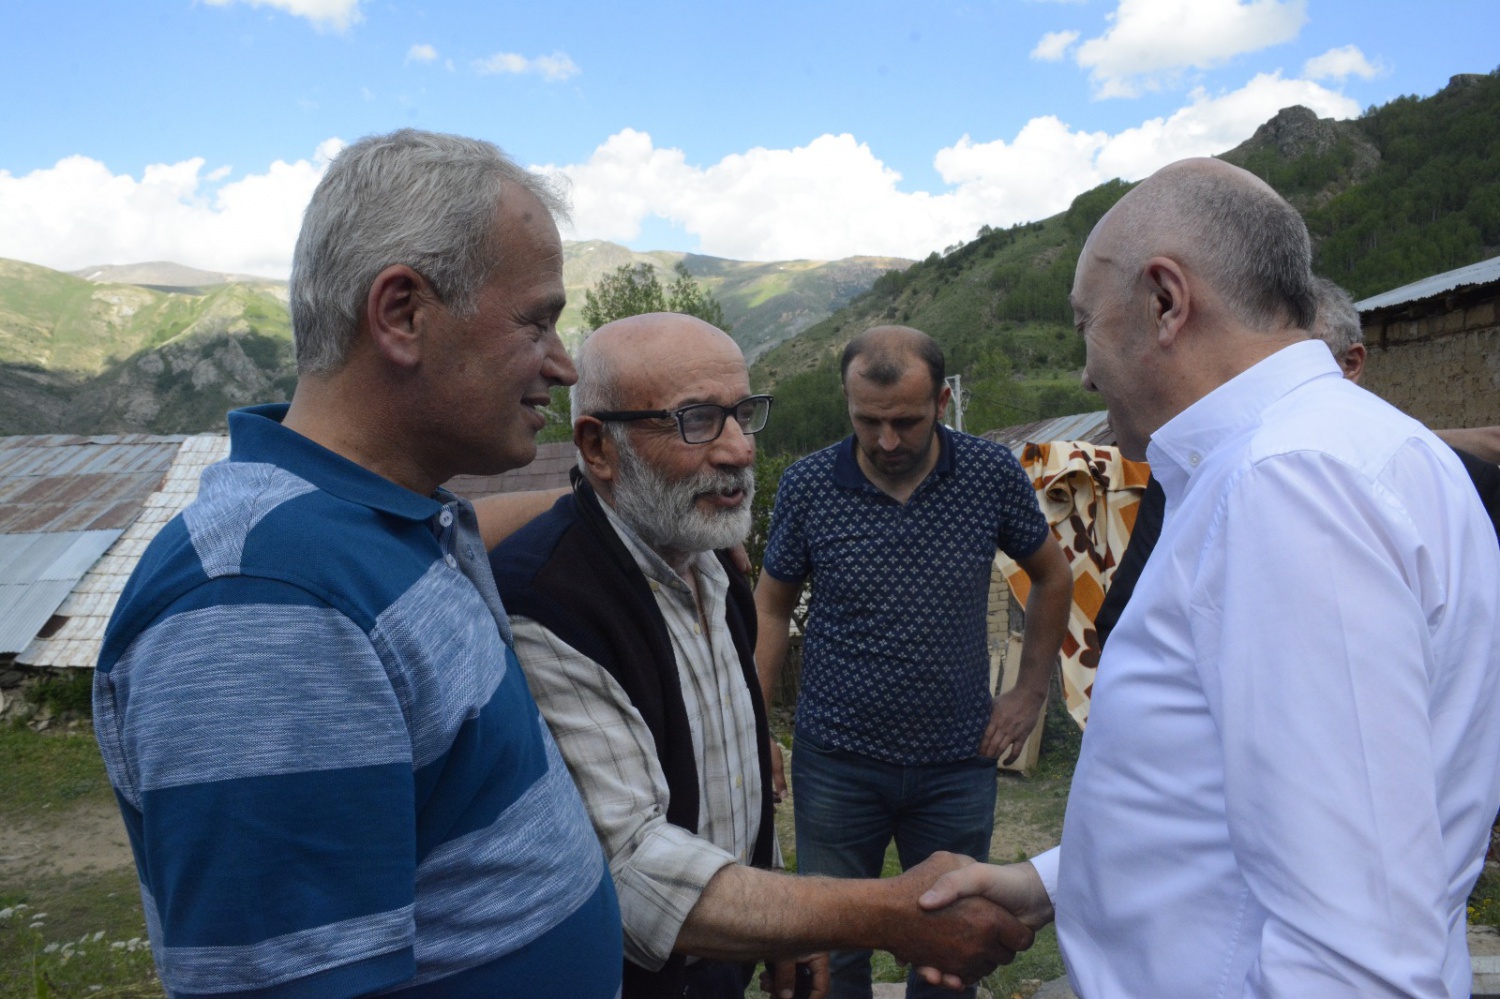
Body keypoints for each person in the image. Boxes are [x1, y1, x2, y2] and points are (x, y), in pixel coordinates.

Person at [918, 157, 1500, 998]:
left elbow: (1354, 959)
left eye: (1086, 324)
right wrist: (1050, 881)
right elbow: (1243, 799)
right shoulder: (1348, 450)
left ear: (1166, 301)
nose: (1085, 373)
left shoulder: (1287, 483)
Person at [92, 130, 623, 998]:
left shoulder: (376, 526)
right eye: (537, 321)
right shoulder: (263, 608)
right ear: (403, 314)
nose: (563, 366)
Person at [490, 313, 1034, 999]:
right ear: (598, 447)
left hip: (732, 953)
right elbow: (632, 869)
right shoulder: (548, 602)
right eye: (696, 420)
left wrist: (775, 903)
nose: (739, 449)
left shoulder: (711, 557)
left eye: (743, 415)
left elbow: (731, 778)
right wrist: (878, 913)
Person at [754, 326, 1073, 999]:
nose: (887, 440)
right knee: (831, 950)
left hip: (957, 762)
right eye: (867, 421)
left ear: (941, 400)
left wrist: (1028, 694)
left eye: (906, 421)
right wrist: (757, 730)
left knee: (950, 950)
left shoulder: (988, 473)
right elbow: (773, 608)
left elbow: (1052, 574)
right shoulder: (809, 484)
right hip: (836, 763)